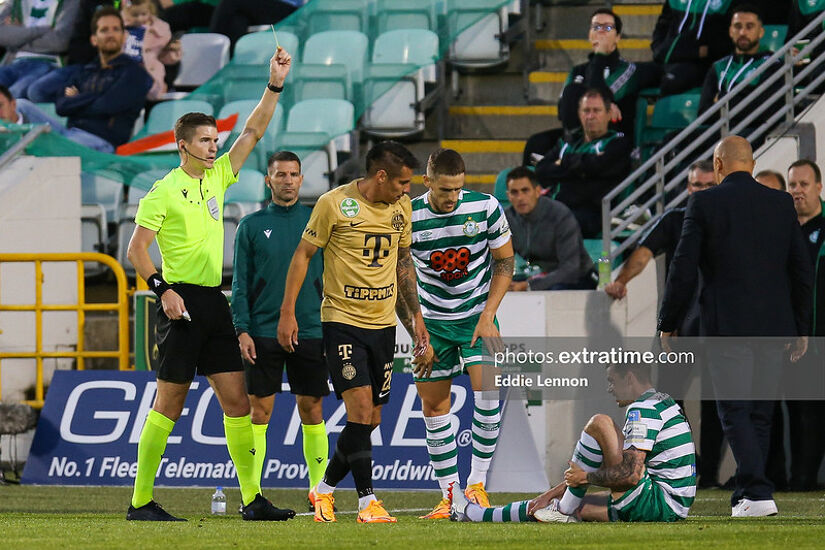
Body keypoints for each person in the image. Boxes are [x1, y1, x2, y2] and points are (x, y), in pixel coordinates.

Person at [125, 45, 295, 522]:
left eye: (214, 139)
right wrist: (162, 289)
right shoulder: (163, 191)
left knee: (238, 403)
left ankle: (252, 500)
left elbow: (254, 129)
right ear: (183, 146)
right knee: (169, 404)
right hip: (180, 303)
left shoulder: (219, 177)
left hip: (215, 303)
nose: (214, 146)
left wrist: (275, 82)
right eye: (204, 141)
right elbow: (136, 251)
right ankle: (140, 502)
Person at [658, 135, 813, 517]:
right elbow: (800, 269)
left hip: (727, 325)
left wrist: (669, 321)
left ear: (718, 165)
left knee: (733, 409)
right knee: (759, 411)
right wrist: (801, 326)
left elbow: (682, 268)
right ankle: (751, 491)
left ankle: (757, 492)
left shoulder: (704, 202)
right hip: (775, 326)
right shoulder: (780, 203)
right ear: (752, 162)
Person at [277, 141, 429, 524]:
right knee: (359, 410)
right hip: (342, 322)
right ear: (381, 176)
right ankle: (367, 503)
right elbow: (303, 256)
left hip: (383, 326)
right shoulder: (333, 204)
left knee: (371, 420)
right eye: (402, 183)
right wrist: (288, 312)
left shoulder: (402, 208)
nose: (406, 190)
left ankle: (324, 490)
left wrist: (416, 319)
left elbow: (403, 262)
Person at [398, 149, 513, 520]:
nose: (452, 197)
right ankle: (449, 496)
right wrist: (418, 331)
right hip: (432, 324)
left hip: (477, 317)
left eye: (458, 189)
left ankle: (476, 485)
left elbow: (505, 260)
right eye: (445, 190)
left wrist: (489, 314)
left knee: (488, 395)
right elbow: (401, 275)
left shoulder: (486, 208)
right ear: (427, 182)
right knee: (434, 409)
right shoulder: (408, 215)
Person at [452, 363, 696, 523]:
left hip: (658, 503)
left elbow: (630, 476)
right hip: (672, 505)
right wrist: (552, 492)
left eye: (612, 381)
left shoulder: (642, 409)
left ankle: (564, 509)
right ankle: (473, 513)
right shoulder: (662, 401)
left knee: (599, 423)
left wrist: (586, 479)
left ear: (630, 377)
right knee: (554, 507)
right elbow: (623, 471)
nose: (610, 389)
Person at [604, 160, 723, 489]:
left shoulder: (727, 219)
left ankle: (709, 474)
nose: (702, 191)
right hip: (676, 332)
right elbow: (643, 253)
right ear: (687, 188)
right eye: (697, 185)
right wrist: (621, 280)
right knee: (670, 401)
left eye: (709, 186)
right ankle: (685, 464)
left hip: (714, 329)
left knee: (717, 406)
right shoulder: (674, 219)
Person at [231, 151, 330, 510]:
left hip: (312, 328)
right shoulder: (252, 225)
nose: (287, 180)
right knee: (259, 412)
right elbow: (240, 283)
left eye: (293, 174)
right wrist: (242, 329)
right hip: (262, 330)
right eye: (280, 174)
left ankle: (320, 493)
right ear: (267, 180)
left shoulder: (317, 221)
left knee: (312, 407)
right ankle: (252, 496)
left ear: (302, 180)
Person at [523, 8, 658, 163]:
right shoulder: (578, 71)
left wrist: (599, 56)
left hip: (612, 139)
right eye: (595, 27)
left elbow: (598, 95)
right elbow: (564, 112)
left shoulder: (633, 71)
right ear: (589, 35)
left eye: (607, 27)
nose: (600, 32)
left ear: (618, 37)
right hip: (577, 136)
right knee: (536, 144)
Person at [9, 7, 152, 152]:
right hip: (69, 134)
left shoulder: (135, 73)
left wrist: (78, 99)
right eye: (104, 30)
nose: (110, 34)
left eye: (115, 29)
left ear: (124, 36)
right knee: (19, 105)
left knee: (53, 148)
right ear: (94, 39)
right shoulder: (85, 71)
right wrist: (95, 96)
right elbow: (62, 106)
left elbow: (105, 106)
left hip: (100, 142)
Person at [536, 88, 632, 238]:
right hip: (556, 208)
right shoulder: (567, 143)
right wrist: (583, 167)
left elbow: (598, 167)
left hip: (591, 214)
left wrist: (563, 162)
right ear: (579, 114)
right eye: (586, 111)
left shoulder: (617, 143)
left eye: (596, 110)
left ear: (608, 114)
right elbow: (541, 171)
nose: (591, 116)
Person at [785, 159, 825, 491]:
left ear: (819, 187)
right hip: (794, 340)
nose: (798, 190)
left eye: (804, 184)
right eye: (793, 185)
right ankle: (801, 478)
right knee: (799, 412)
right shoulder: (783, 229)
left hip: (820, 336)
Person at [504, 166, 596, 291]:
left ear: (537, 192)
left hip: (578, 277)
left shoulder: (560, 216)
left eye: (525, 191)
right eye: (514, 192)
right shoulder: (506, 219)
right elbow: (499, 260)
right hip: (537, 275)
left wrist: (529, 286)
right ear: (508, 196)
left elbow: (570, 268)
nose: (520, 198)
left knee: (555, 290)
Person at [697, 5, 780, 128]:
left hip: (750, 133)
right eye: (738, 26)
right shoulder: (718, 66)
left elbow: (761, 111)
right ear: (730, 31)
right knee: (672, 139)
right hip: (716, 132)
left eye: (749, 27)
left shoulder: (771, 65)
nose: (742, 32)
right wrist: (743, 98)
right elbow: (704, 113)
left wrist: (721, 98)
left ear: (761, 32)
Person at [0, 0, 80, 99]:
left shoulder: (70, 2)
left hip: (48, 62)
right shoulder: (14, 2)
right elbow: (1, 35)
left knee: (13, 94)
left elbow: (59, 42)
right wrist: (42, 30)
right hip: (13, 62)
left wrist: (17, 37)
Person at [652, 0, 733, 96]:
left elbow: (729, 39)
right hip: (667, 58)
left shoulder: (728, 3)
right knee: (630, 76)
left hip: (700, 65)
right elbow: (662, 26)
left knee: (671, 82)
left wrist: (703, 52)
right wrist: (659, 49)